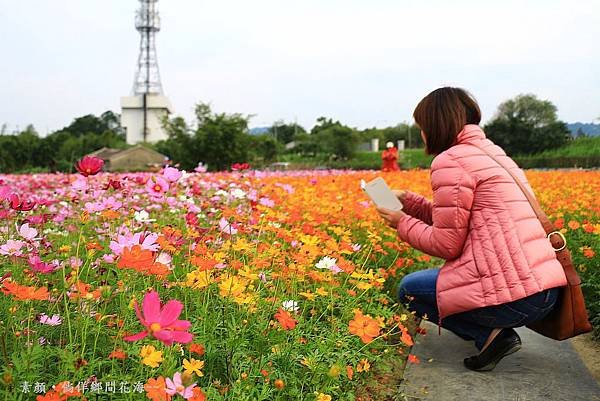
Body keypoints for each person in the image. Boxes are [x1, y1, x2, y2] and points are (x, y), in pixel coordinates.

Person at [376, 87, 567, 371]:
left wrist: (401, 222)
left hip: (519, 297)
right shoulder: (492, 153)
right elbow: (460, 218)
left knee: (409, 290)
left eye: (422, 128)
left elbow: (446, 244)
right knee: (436, 282)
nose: (422, 135)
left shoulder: (450, 160)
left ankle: (491, 336)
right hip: (545, 291)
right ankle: (492, 331)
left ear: (434, 124)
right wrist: (412, 204)